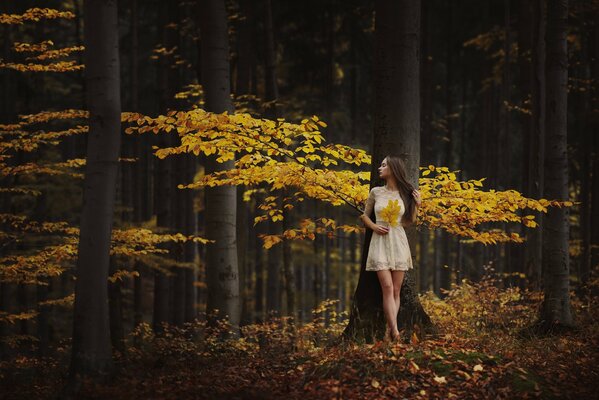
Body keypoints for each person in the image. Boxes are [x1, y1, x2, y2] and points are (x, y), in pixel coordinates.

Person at [359, 155, 421, 341]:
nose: (380, 167)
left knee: (395, 289)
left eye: (384, 165)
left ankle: (389, 331)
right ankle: (395, 332)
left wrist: (417, 205)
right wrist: (373, 226)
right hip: (379, 242)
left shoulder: (405, 193)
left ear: (393, 169)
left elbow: (409, 221)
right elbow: (364, 216)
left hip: (399, 241)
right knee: (386, 286)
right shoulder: (376, 192)